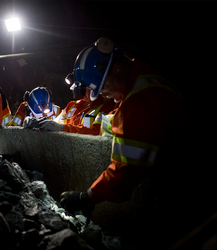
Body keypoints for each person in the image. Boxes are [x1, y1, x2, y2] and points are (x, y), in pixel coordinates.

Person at [40, 38, 188, 248]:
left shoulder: (138, 100)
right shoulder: (142, 77)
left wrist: (87, 197)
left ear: (117, 70)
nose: (104, 94)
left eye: (104, 87)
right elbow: (106, 128)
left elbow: (126, 170)